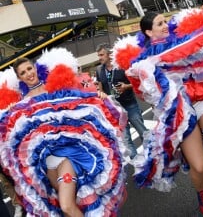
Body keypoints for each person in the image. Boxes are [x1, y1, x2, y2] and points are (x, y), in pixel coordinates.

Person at [112, 9, 203, 216]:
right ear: (148, 32)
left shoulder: (183, 40)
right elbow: (144, 93)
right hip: (179, 111)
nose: (166, 26)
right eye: (160, 24)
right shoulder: (142, 60)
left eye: (166, 21)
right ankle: (202, 196)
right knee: (198, 166)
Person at [0, 48, 127, 216]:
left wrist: (98, 94)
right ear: (19, 78)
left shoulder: (54, 89)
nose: (28, 74)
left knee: (67, 205)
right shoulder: (23, 104)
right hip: (46, 164)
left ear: (35, 68)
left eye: (29, 68)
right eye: (23, 72)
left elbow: (80, 98)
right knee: (66, 206)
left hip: (66, 156)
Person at [96, 44, 147, 160]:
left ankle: (153, 158)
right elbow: (101, 89)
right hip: (116, 111)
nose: (99, 58)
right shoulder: (99, 70)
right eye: (98, 55)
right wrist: (101, 94)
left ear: (109, 55)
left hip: (130, 105)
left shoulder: (122, 66)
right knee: (126, 139)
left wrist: (126, 86)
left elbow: (136, 82)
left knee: (143, 132)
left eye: (101, 55)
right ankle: (137, 164)